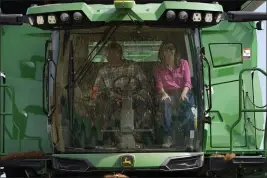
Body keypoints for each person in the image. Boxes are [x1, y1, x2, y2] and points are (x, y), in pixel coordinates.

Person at [93, 42, 151, 146]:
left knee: (143, 107)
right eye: (108, 54)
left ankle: (138, 135)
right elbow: (97, 89)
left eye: (112, 54)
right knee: (106, 109)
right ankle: (112, 137)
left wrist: (138, 95)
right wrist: (100, 96)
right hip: (113, 100)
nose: (108, 57)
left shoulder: (133, 67)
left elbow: (145, 85)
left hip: (134, 98)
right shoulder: (103, 71)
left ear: (119, 54)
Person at [153, 41, 194, 148]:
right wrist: (163, 94)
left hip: (183, 91)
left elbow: (188, 82)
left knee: (187, 109)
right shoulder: (158, 68)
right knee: (166, 104)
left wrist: (184, 94)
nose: (166, 57)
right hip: (168, 93)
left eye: (168, 54)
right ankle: (168, 137)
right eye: (163, 55)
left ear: (174, 53)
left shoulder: (184, 63)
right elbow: (159, 85)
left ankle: (190, 138)